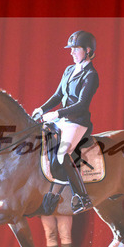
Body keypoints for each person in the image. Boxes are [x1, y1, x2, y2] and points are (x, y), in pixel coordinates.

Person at [32, 30, 99, 214]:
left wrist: (56, 113)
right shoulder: (69, 70)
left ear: (87, 50)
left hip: (78, 122)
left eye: (75, 49)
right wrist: (42, 109)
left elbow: (82, 104)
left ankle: (82, 197)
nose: (71, 52)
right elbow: (58, 95)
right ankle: (49, 192)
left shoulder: (91, 75)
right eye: (71, 49)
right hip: (63, 119)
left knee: (62, 155)